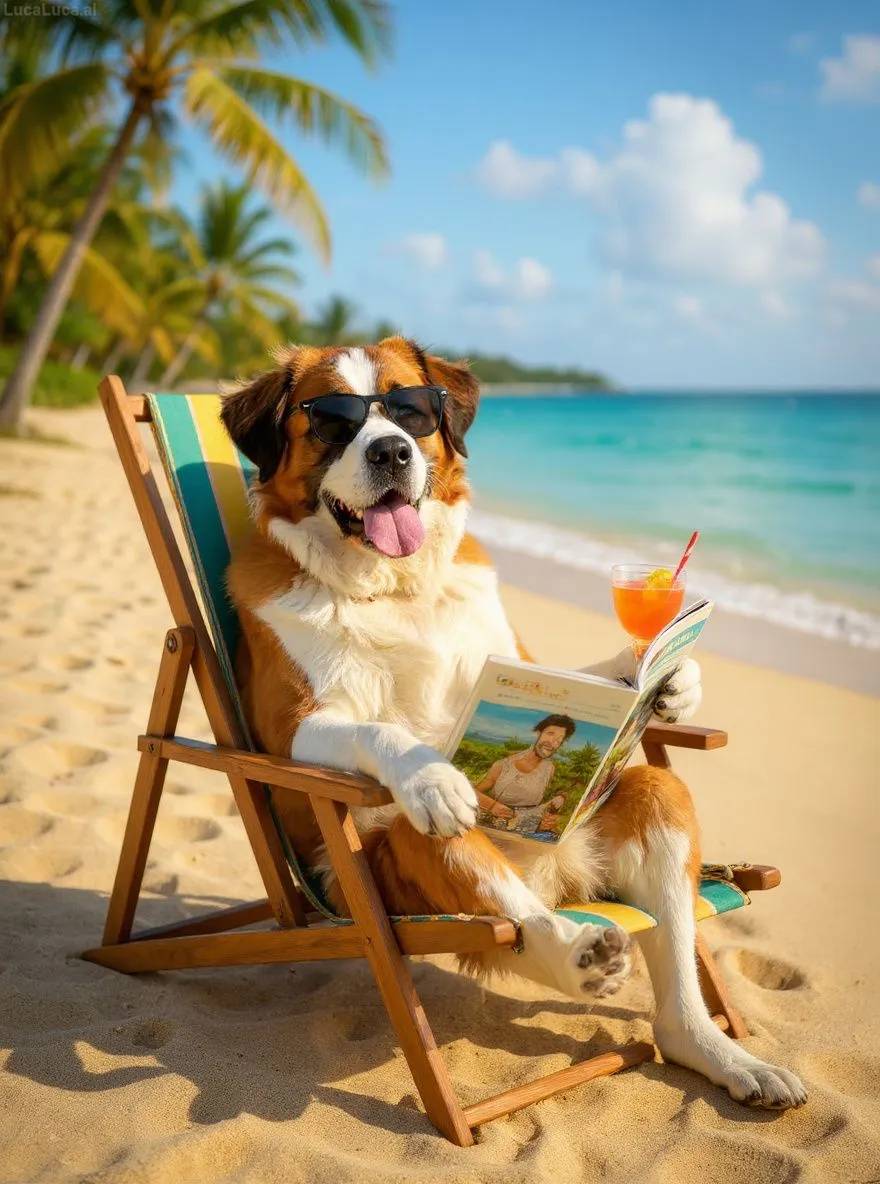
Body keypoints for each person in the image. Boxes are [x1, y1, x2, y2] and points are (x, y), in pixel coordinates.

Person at [475, 714, 576, 823]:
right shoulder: (504, 764)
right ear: (539, 732)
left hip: (526, 823)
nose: (552, 743)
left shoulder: (550, 769)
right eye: (550, 734)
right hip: (495, 820)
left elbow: (558, 792)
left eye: (558, 740)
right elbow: (473, 793)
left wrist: (561, 797)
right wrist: (493, 806)